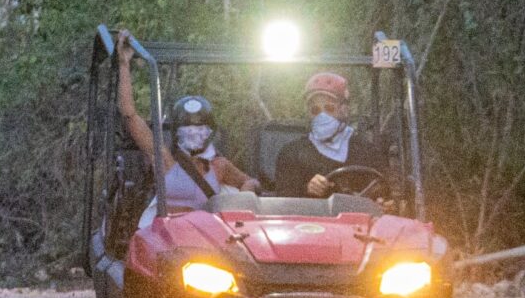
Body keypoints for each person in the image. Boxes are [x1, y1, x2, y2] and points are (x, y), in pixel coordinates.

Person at [118, 34, 254, 222]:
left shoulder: (219, 166)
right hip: (166, 234)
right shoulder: (164, 160)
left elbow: (250, 181)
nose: (193, 134)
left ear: (210, 131)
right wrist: (124, 65)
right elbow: (129, 115)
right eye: (187, 128)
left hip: (204, 238)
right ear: (176, 132)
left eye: (200, 128)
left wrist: (243, 196)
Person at [272, 70, 394, 199]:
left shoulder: (367, 152)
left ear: (344, 110)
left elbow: (383, 192)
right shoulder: (292, 153)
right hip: (311, 218)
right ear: (308, 113)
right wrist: (307, 188)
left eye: (329, 108)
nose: (321, 116)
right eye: (315, 110)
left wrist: (383, 202)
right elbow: (284, 200)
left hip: (357, 217)